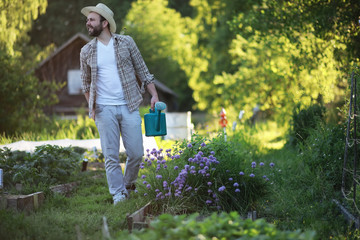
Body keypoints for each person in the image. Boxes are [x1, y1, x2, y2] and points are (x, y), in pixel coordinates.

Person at [80, 3, 159, 205]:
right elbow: (86, 84)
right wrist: (92, 108)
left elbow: (143, 70)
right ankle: (118, 194)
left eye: (92, 20)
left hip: (129, 105)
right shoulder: (86, 51)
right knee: (111, 156)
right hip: (103, 109)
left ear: (104, 23)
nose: (87, 23)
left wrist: (154, 95)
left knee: (136, 153)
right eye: (87, 19)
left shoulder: (126, 43)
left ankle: (128, 185)